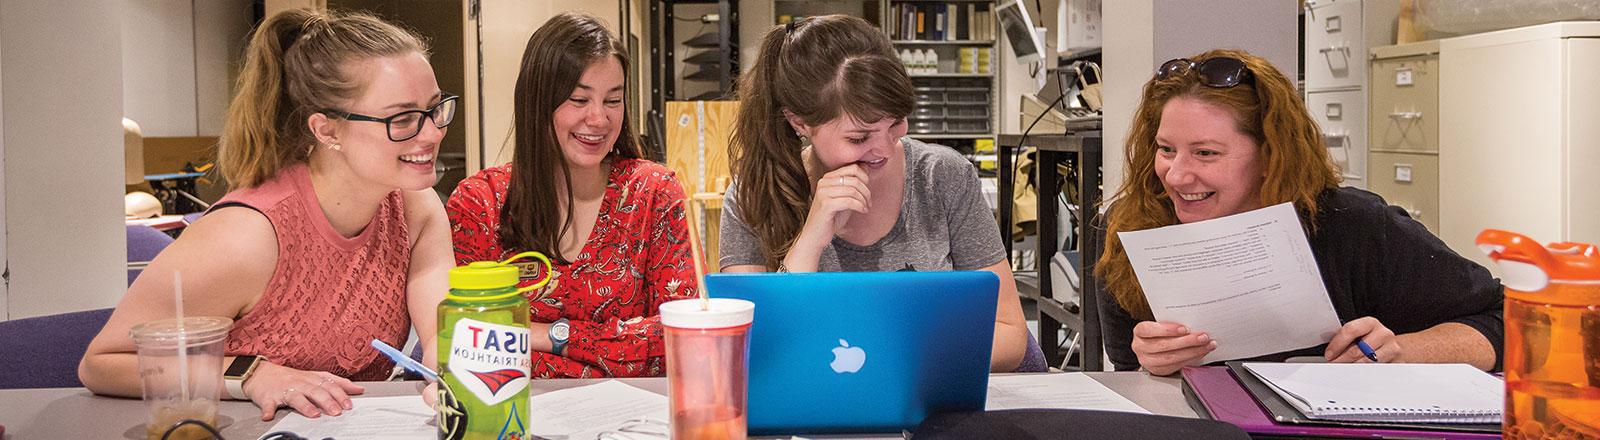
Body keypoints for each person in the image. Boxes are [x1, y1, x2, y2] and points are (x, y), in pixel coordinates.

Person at [80, 9, 455, 421]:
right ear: (326, 130)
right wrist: (252, 375)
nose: (433, 133)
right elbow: (102, 362)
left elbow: (441, 329)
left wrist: (449, 369)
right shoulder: (248, 236)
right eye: (401, 119)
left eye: (435, 109)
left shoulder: (416, 208)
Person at [1096, 49, 1503, 376]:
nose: (1177, 175)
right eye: (1166, 149)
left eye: (1206, 153)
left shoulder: (1353, 225)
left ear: (1271, 155)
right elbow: (1127, 374)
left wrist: (1404, 350)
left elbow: (1507, 323)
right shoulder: (1132, 225)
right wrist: (1151, 364)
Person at [718, 15, 1028, 373]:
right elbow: (750, 352)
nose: (883, 148)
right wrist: (810, 240)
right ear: (800, 123)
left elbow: (1009, 334)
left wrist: (886, 358)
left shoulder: (943, 176)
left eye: (895, 123)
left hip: (929, 410)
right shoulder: (753, 196)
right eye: (859, 137)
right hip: (809, 416)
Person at [447, 12, 698, 379]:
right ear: (537, 104)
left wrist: (548, 336)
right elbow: (472, 345)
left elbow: (679, 337)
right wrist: (615, 350)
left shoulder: (654, 193)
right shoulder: (480, 203)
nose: (598, 119)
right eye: (579, 100)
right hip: (515, 417)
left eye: (613, 101)